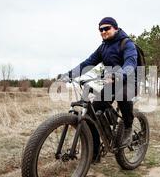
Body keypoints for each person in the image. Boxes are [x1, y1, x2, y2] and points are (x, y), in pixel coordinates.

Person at [58, 17, 138, 160]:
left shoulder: (127, 44)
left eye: (106, 28)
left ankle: (127, 126)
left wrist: (119, 74)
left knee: (123, 96)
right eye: (100, 29)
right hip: (112, 82)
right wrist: (69, 75)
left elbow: (130, 63)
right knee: (93, 112)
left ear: (115, 28)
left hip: (129, 80)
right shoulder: (103, 48)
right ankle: (94, 153)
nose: (103, 32)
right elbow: (88, 63)